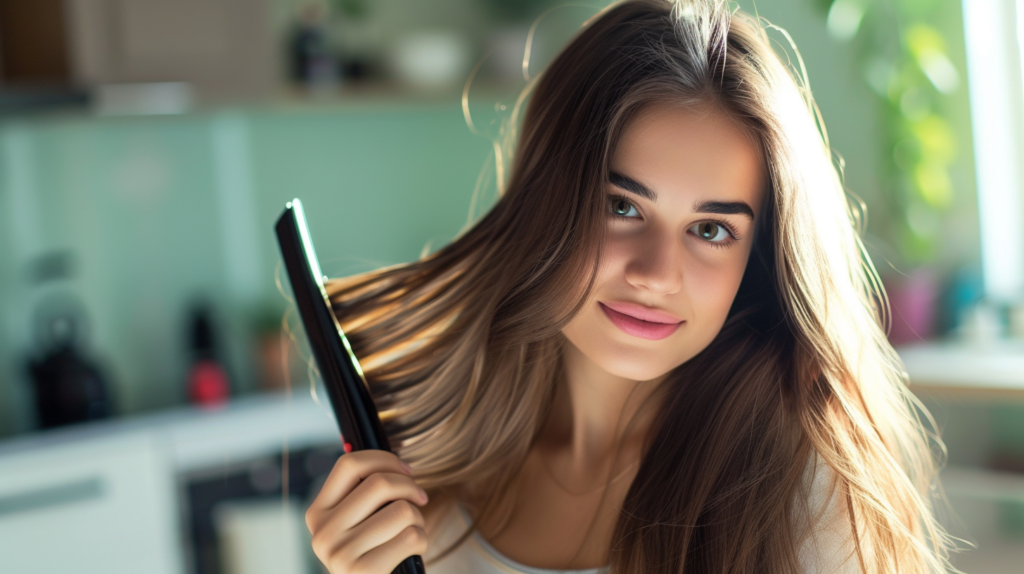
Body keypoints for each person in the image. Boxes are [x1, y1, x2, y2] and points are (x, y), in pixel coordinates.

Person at [304, 0, 956, 572]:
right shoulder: (425, 495)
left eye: (711, 230)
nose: (655, 274)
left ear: (755, 260)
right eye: (622, 207)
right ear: (544, 203)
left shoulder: (799, 491)